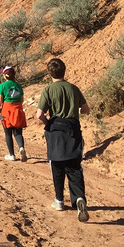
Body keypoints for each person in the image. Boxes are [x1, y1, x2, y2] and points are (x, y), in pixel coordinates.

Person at [35, 58, 91, 222]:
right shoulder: (73, 88)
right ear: (64, 71)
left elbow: (39, 114)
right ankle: (79, 198)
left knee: (57, 165)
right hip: (73, 129)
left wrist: (49, 124)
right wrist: (73, 112)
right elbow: (86, 109)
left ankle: (59, 200)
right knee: (74, 166)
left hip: (56, 132)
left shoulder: (48, 90)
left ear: (49, 73)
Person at [0, 66, 27, 162]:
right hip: (17, 110)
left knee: (8, 133)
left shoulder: (2, 86)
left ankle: (11, 154)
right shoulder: (18, 86)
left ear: (5, 75)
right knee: (18, 132)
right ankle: (21, 147)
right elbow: (22, 99)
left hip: (6, 111)